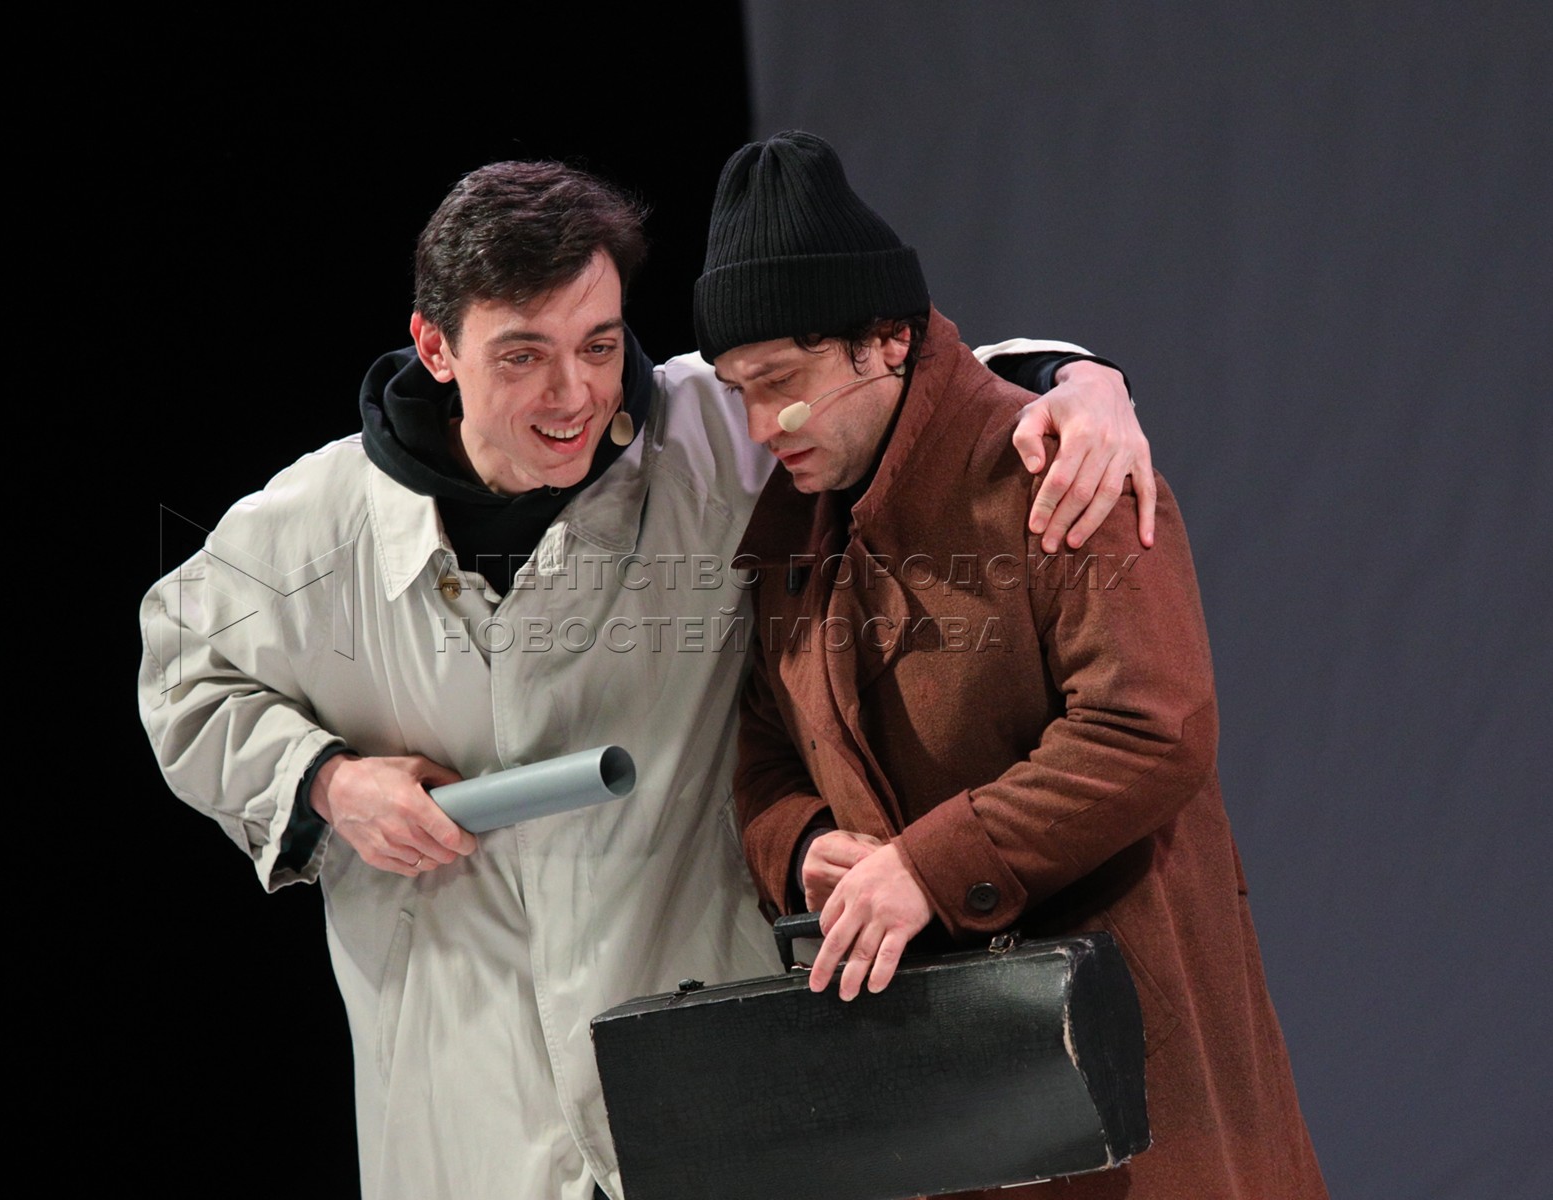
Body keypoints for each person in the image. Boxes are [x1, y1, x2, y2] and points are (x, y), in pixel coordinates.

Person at [137, 158, 1151, 1200]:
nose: (574, 394)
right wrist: (326, 782)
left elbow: (902, 385)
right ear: (436, 347)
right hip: (459, 1076)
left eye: (599, 345)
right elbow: (180, 674)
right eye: (523, 355)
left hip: (710, 1044)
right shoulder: (313, 526)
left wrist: (1080, 383)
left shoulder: (714, 433)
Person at [705, 131, 1326, 1197]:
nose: (761, 426)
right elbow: (762, 756)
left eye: (783, 385)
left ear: (886, 342)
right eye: (736, 391)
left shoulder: (1057, 470)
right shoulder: (789, 533)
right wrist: (802, 847)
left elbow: (1151, 728)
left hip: (1131, 1066)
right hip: (937, 1092)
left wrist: (928, 869)